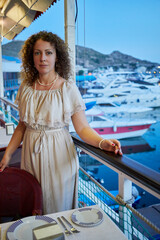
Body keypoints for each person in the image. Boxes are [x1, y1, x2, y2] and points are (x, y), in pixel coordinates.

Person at [0, 31, 122, 214]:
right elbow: (22, 126)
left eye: (49, 52)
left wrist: (102, 142)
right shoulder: (25, 87)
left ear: (57, 57)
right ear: (31, 57)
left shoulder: (68, 88)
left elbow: (82, 128)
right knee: (33, 205)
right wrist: (8, 155)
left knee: (57, 207)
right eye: (37, 53)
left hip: (59, 155)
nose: (43, 58)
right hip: (30, 155)